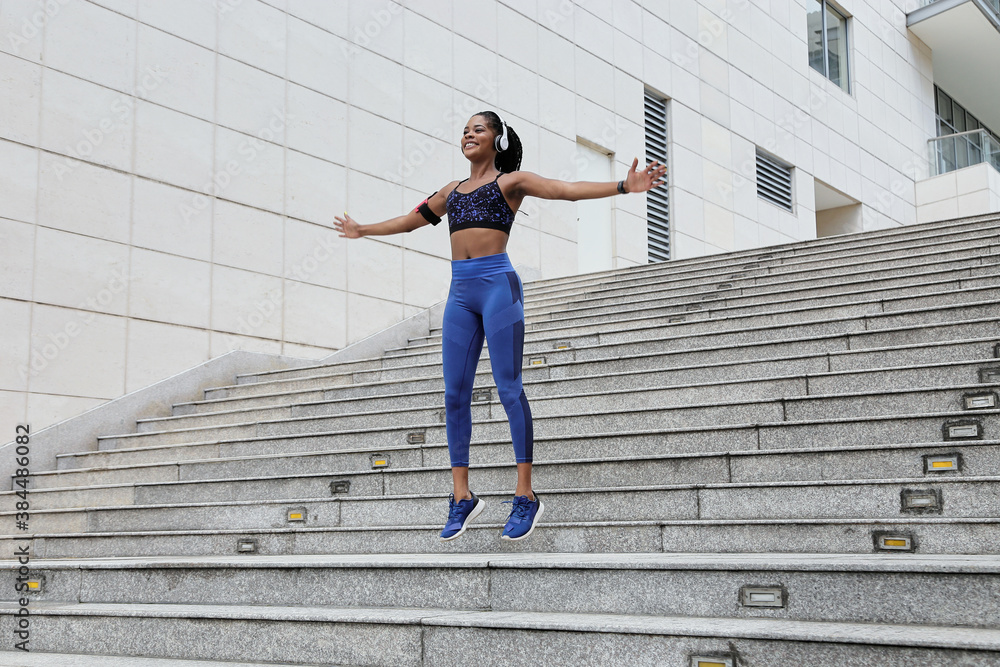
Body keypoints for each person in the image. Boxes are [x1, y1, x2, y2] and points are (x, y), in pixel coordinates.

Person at [333, 111, 666, 542]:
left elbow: (566, 191)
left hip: (497, 287)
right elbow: (411, 219)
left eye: (479, 129)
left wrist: (624, 185)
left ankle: (525, 495)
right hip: (459, 294)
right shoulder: (451, 191)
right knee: (454, 392)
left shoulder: (511, 183)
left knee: (508, 387)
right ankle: (461, 496)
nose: (469, 134)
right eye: (465, 130)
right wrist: (363, 230)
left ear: (497, 139)